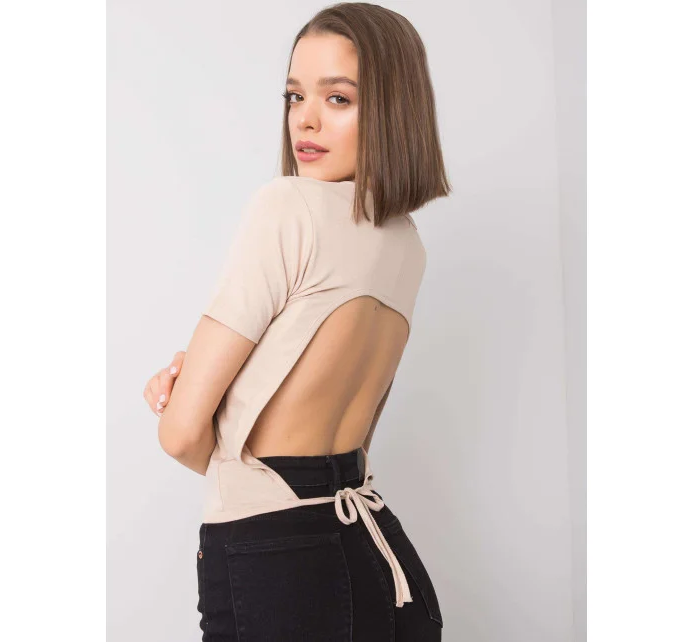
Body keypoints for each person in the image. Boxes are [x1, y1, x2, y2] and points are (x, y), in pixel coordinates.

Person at [143, 3, 451, 640]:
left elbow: (181, 436)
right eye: (294, 95)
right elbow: (352, 430)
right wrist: (226, 390)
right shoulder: (406, 243)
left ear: (393, 110)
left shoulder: (287, 207)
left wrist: (194, 401)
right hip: (378, 552)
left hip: (277, 564)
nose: (304, 120)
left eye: (338, 98)